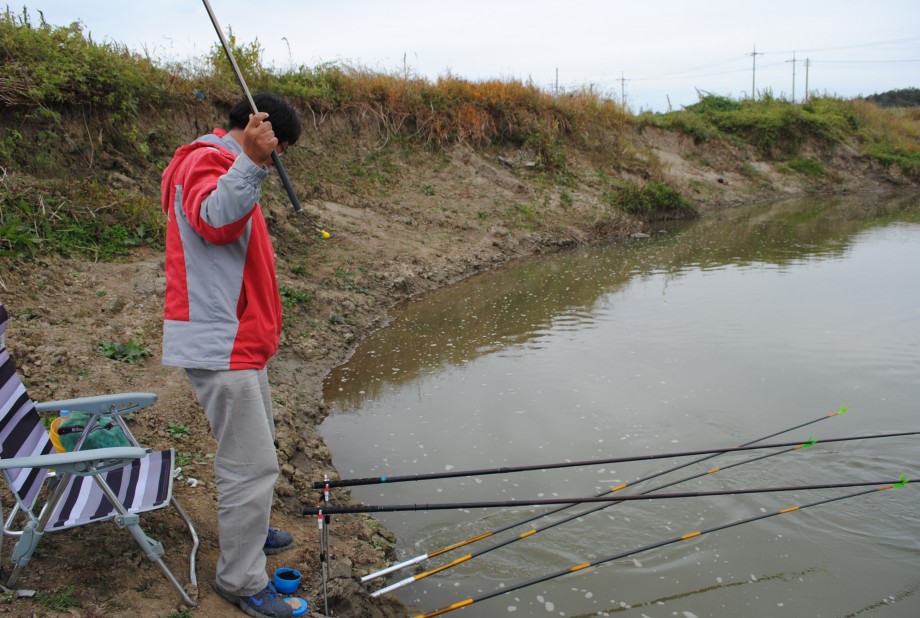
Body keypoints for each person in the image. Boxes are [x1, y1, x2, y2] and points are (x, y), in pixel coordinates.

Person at [160, 92, 302, 618]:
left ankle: (253, 531)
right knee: (251, 465)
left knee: (258, 444)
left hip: (240, 340)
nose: (277, 159)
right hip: (222, 343)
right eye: (279, 148)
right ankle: (240, 580)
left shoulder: (229, 165)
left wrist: (249, 164)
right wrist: (253, 160)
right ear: (261, 131)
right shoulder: (207, 161)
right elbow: (215, 221)